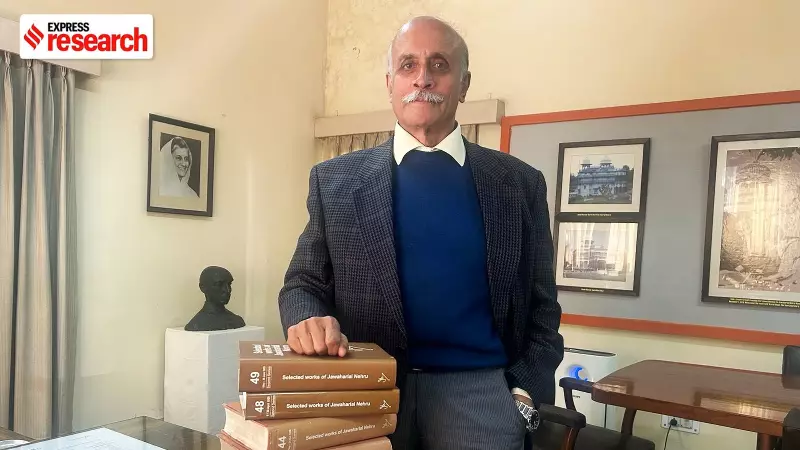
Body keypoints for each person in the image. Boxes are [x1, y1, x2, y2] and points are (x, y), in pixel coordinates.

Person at [278, 15, 564, 450]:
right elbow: (302, 283)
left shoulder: (520, 183)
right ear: (390, 83)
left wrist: (523, 395)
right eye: (408, 65)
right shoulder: (333, 181)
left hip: (481, 400)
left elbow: (544, 309)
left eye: (439, 65)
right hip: (364, 387)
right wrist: (305, 318)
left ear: (464, 84)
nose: (422, 78)